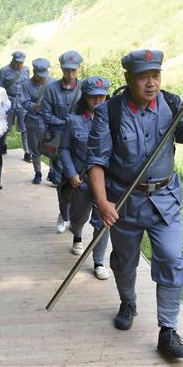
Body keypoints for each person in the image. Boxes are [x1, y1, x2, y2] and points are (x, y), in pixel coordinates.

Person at [86, 49, 183, 359]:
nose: (151, 84)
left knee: (171, 258)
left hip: (165, 199)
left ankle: (168, 329)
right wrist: (102, 202)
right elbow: (96, 162)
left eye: (155, 76)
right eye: (143, 77)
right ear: (128, 79)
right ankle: (128, 301)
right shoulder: (109, 112)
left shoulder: (172, 104)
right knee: (124, 262)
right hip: (125, 198)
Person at [58, 75, 111, 280]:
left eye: (102, 96)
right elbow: (63, 148)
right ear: (85, 97)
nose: (98, 101)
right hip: (80, 181)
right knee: (79, 216)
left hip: (105, 182)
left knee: (103, 221)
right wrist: (71, 174)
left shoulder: (113, 121)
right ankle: (77, 236)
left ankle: (99, 262)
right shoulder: (73, 121)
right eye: (93, 97)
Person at [41, 50, 85, 232]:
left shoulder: (84, 89)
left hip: (80, 143)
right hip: (58, 141)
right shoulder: (51, 88)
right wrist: (65, 122)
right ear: (62, 69)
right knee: (61, 180)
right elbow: (46, 114)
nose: (70, 74)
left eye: (73, 71)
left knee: (80, 181)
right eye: (67, 70)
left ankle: (76, 218)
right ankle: (64, 215)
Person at [18, 58, 53, 185]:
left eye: (44, 75)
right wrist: (35, 106)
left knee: (52, 147)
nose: (42, 78)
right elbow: (24, 102)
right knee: (35, 147)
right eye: (39, 76)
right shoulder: (27, 85)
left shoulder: (52, 83)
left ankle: (52, 172)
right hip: (33, 120)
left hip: (50, 121)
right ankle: (37, 172)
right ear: (34, 72)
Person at [0, 51, 31, 162]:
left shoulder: (26, 70)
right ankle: (2, 145)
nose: (20, 65)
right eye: (18, 62)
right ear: (13, 61)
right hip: (9, 100)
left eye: (22, 62)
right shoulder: (4, 70)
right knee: (6, 125)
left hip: (22, 101)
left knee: (25, 127)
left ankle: (27, 151)